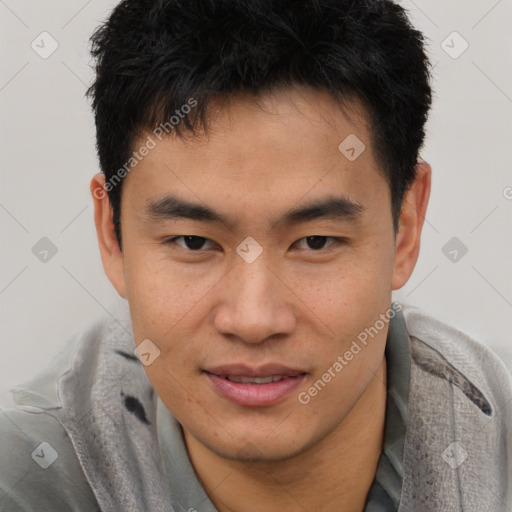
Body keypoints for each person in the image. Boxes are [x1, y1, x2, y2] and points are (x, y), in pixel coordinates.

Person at [1, 0, 511, 511]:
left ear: (405, 227)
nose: (253, 320)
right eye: (194, 242)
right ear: (112, 235)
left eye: (315, 242)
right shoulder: (27, 480)